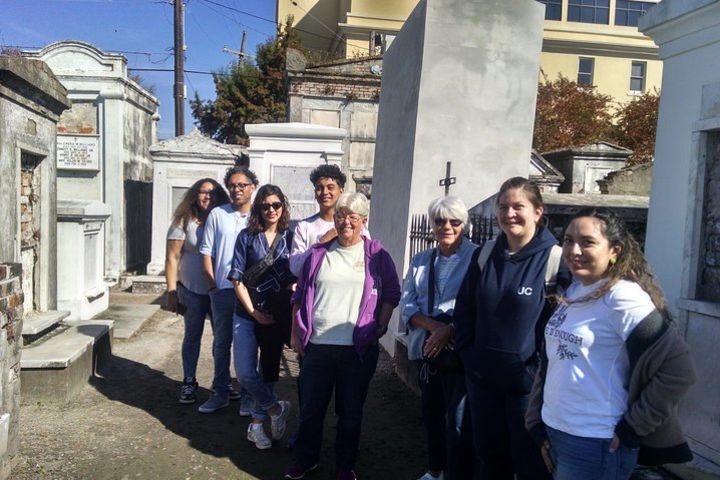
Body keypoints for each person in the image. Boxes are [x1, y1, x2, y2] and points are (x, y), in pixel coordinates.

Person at [525, 208, 696, 480]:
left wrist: (633, 426)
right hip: (558, 432)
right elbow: (553, 361)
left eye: (587, 242)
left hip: (597, 441)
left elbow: (679, 369)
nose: (574, 250)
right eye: (568, 240)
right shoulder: (574, 290)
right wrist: (536, 420)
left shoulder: (623, 298)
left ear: (615, 250)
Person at [454, 177, 570, 480]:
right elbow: (464, 310)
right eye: (503, 207)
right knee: (492, 464)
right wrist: (471, 358)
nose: (509, 214)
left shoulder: (555, 260)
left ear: (537, 211)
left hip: (528, 391)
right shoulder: (484, 254)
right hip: (483, 382)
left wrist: (535, 374)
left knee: (532, 467)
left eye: (518, 206)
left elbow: (563, 326)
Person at [284, 192, 401, 480]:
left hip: (357, 349)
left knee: (350, 412)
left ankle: (345, 465)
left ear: (364, 220)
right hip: (318, 346)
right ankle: (306, 459)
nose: (345, 221)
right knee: (311, 410)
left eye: (352, 216)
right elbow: (299, 295)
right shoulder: (317, 254)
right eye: (340, 215)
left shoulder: (377, 254)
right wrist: (296, 333)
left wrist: (381, 327)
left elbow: (391, 293)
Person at [401, 196, 478, 480]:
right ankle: (435, 471)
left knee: (459, 422)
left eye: (454, 221)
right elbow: (408, 303)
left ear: (464, 224)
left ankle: (459, 474)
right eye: (440, 221)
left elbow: (481, 304)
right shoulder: (421, 260)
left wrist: (451, 329)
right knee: (431, 415)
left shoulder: (477, 258)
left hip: (460, 352)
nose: (446, 226)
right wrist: (434, 327)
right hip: (429, 352)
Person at [228, 184, 294, 450]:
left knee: (267, 370)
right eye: (265, 205)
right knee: (244, 372)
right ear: (258, 208)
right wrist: (254, 312)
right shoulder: (246, 237)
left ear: (283, 207)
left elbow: (299, 272)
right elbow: (236, 278)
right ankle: (276, 408)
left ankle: (256, 426)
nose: (271, 210)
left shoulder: (291, 236)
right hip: (247, 313)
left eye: (276, 205)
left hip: (277, 313)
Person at [197, 166, 258, 414]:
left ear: (252, 187)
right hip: (222, 290)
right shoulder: (217, 215)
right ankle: (220, 391)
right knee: (221, 343)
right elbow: (206, 251)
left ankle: (247, 395)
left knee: (249, 344)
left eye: (242, 185)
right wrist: (212, 285)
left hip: (250, 291)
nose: (237, 189)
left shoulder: (260, 215)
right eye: (232, 185)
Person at [165, 178, 230, 404]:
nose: (207, 197)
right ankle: (189, 381)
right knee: (192, 336)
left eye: (212, 194)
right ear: (195, 195)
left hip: (218, 288)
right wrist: (172, 291)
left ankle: (221, 382)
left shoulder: (223, 217)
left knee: (222, 339)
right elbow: (172, 258)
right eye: (203, 193)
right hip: (191, 290)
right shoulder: (183, 221)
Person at [289, 164, 369, 277]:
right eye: (319, 188)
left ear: (341, 190)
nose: (325, 192)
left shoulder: (355, 224)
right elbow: (296, 268)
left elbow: (368, 261)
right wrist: (321, 243)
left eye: (330, 187)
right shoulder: (304, 227)